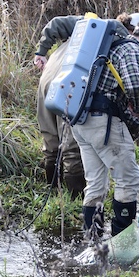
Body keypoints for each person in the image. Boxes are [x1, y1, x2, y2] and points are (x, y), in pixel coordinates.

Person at [69, 14, 139, 239]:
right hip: (105, 124)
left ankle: (94, 243)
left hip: (80, 121)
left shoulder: (100, 46)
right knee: (128, 180)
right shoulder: (129, 48)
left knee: (95, 183)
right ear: (136, 32)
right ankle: (123, 245)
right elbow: (135, 86)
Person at [34, 16, 87, 197]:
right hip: (67, 82)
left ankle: (53, 192)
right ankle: (76, 198)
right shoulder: (103, 28)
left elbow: (55, 23)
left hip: (47, 77)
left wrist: (41, 52)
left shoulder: (81, 28)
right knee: (71, 147)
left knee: (51, 140)